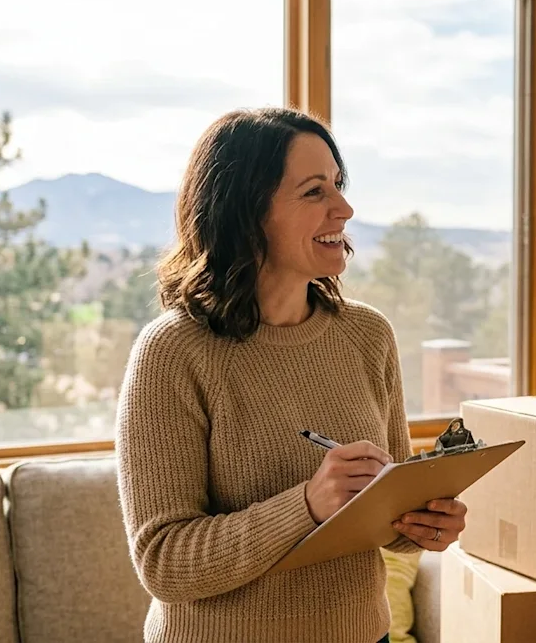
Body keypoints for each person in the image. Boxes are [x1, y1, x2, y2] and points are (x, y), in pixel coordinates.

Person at [115, 107, 467, 643]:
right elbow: (164, 562)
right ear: (245, 213)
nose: (344, 208)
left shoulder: (368, 336)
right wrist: (307, 504)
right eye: (313, 192)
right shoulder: (172, 352)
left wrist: (421, 524)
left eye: (338, 185)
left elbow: (385, 516)